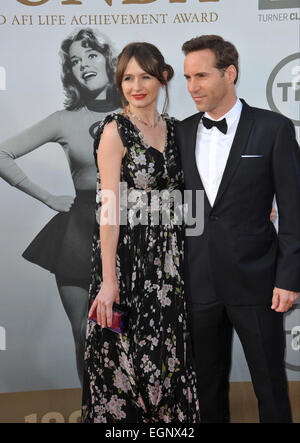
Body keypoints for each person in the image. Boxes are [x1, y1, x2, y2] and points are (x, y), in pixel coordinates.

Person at [175, 34, 300, 423]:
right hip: (198, 284)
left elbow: (294, 211)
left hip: (258, 282)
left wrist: (289, 277)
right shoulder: (179, 132)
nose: (193, 87)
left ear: (229, 73)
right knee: (205, 390)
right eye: (187, 77)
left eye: (202, 75)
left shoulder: (273, 128)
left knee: (270, 386)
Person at [81, 42, 200, 423]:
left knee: (171, 359)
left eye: (145, 76)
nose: (137, 85)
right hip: (129, 263)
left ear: (162, 78)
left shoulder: (180, 130)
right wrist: (109, 280)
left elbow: (201, 195)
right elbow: (110, 211)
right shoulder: (115, 132)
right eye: (128, 78)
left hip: (173, 262)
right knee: (126, 362)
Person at [0, 28, 121, 385]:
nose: (84, 65)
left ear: (108, 59)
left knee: (123, 330)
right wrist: (48, 197)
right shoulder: (63, 120)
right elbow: (2, 154)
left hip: (132, 228)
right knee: (86, 332)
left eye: (91, 55)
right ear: (70, 73)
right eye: (75, 61)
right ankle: (96, 411)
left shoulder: (138, 111)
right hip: (80, 232)